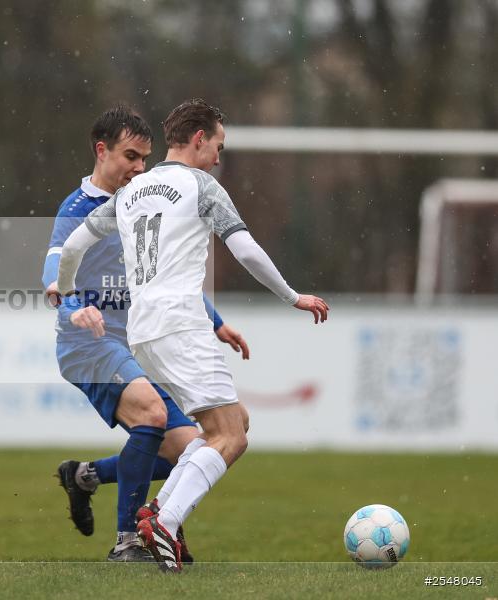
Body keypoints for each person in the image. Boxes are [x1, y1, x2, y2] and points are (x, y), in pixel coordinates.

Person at [56, 99, 329, 572]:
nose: (220, 156)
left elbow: (76, 244)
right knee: (231, 436)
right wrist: (292, 297)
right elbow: (244, 247)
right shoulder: (202, 185)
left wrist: (66, 291)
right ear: (199, 139)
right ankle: (164, 522)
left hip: (142, 334)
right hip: (180, 324)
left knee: (227, 423)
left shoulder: (133, 189)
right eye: (219, 144)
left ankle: (156, 514)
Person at [42, 105, 249, 562]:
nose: (139, 168)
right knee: (153, 415)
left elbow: (164, 279)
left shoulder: (142, 200)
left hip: (140, 343)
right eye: (131, 157)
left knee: (192, 449)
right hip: (88, 346)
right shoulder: (77, 208)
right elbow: (55, 267)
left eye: (144, 158)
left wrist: (216, 323)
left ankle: (86, 477)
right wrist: (74, 307)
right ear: (102, 151)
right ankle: (129, 541)